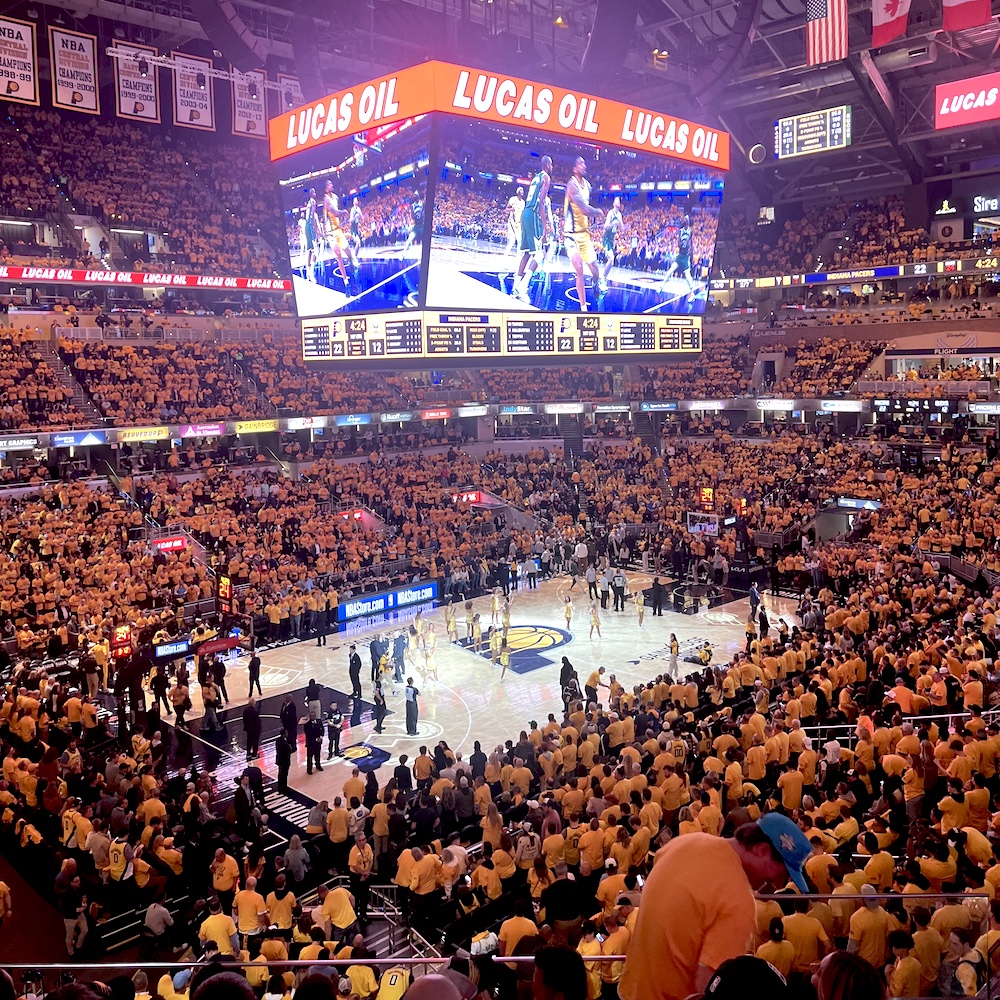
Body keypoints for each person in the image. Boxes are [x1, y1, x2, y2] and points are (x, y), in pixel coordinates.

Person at [619, 816, 812, 1000]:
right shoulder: (738, 902)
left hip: (630, 988)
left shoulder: (684, 843)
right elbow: (711, 990)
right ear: (761, 850)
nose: (779, 884)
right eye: (783, 873)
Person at [563, 156, 603, 312]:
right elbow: (584, 209)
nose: (584, 165)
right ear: (574, 169)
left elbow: (587, 209)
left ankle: (595, 283)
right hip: (570, 235)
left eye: (584, 162)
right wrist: (598, 212)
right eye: (580, 163)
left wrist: (591, 219)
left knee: (595, 269)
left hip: (584, 235)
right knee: (579, 267)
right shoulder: (571, 185)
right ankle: (583, 308)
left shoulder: (588, 185)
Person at [275, 729, 293, 793]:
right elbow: (286, 751)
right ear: (284, 734)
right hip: (284, 761)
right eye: (286, 733)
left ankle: (281, 786)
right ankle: (283, 787)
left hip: (280, 760)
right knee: (283, 774)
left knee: (281, 774)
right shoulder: (283, 742)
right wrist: (289, 748)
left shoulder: (278, 740)